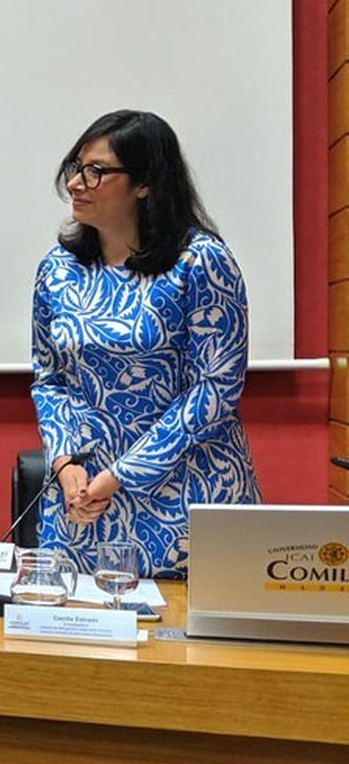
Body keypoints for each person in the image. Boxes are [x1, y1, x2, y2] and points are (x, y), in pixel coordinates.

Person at [32, 109, 260, 578]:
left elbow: (215, 390)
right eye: (76, 167)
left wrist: (123, 473)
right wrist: (63, 462)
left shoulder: (200, 262)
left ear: (145, 184)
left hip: (187, 496)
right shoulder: (57, 270)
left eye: (96, 171)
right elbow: (50, 380)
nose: (76, 182)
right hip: (84, 500)